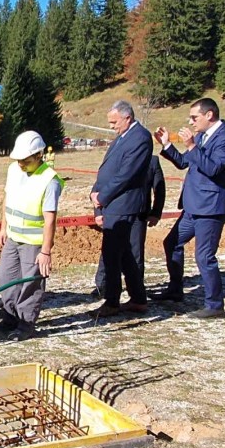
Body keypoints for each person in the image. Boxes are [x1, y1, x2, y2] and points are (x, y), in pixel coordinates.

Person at [151, 98, 225, 318]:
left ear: (209, 115)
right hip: (192, 207)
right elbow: (185, 163)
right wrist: (167, 145)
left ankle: (215, 305)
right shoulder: (202, 136)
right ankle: (175, 290)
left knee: (204, 257)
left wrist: (191, 145)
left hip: (211, 208)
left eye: (194, 117)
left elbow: (213, 168)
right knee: (172, 242)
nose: (190, 122)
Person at [0, 130, 64, 339]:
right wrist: (4, 227)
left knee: (30, 285)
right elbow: (7, 199)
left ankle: (26, 326)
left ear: (39, 155)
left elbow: (50, 219)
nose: (21, 164)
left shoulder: (50, 180)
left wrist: (46, 251)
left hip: (33, 243)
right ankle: (9, 319)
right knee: (6, 278)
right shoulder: (14, 170)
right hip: (13, 238)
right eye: (19, 160)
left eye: (25, 160)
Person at [89, 101, 153, 318]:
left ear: (128, 117)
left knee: (112, 254)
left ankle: (112, 301)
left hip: (123, 203)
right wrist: (95, 191)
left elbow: (126, 174)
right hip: (112, 203)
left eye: (114, 122)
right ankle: (138, 298)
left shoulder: (140, 138)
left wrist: (103, 196)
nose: (112, 126)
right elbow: (107, 170)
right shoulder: (123, 137)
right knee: (125, 255)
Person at [92, 154, 166, 296]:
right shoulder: (118, 157)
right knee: (109, 249)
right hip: (115, 213)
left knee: (136, 253)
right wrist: (98, 212)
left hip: (139, 215)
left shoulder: (152, 161)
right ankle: (102, 285)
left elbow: (159, 188)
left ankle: (136, 291)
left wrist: (156, 212)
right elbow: (99, 186)